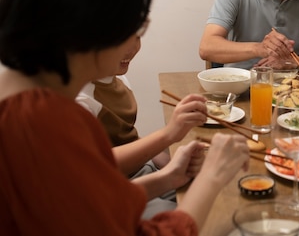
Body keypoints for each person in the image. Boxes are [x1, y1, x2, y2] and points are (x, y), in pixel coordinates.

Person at [0, 0, 249, 234]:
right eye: (135, 24)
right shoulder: (43, 122)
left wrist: (169, 178)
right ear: (91, 23)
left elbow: (91, 200)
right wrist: (212, 178)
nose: (134, 40)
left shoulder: (25, 98)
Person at [76, 36, 208, 218]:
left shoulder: (116, 75)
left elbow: (124, 137)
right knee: (185, 213)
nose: (131, 49)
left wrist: (162, 159)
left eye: (137, 37)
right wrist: (168, 135)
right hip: (112, 188)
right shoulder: (79, 99)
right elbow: (95, 167)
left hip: (139, 169)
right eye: (120, 39)